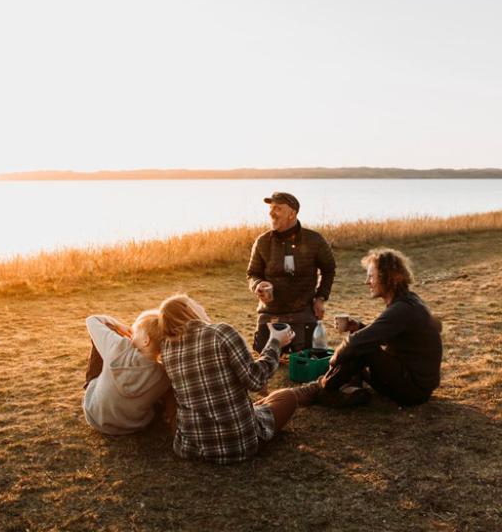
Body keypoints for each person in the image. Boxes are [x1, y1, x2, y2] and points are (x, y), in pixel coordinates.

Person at [158, 294, 319, 464]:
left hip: (191, 448)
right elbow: (255, 381)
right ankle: (311, 389)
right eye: (196, 304)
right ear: (188, 311)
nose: (202, 308)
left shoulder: (166, 348)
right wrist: (275, 342)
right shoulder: (221, 332)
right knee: (287, 397)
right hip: (238, 445)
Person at [319, 248, 442, 407]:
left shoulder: (403, 309)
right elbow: (387, 335)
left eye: (371, 276)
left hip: (414, 390)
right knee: (362, 344)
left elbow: (356, 342)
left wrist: (335, 358)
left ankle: (325, 388)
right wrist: (359, 326)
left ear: (388, 278)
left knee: (360, 347)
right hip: (416, 383)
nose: (367, 282)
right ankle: (348, 387)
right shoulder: (407, 301)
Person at [247, 191, 336, 353]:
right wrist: (259, 285)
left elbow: (329, 269)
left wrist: (320, 297)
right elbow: (252, 274)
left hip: (303, 311)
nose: (271, 213)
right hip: (270, 311)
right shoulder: (262, 241)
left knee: (306, 350)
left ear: (292, 213)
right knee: (263, 350)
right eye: (271, 208)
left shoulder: (314, 240)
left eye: (277, 208)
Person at [82, 310, 174, 435]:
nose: (131, 336)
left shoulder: (120, 348)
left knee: (108, 327)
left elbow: (92, 320)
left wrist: (119, 326)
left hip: (95, 417)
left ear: (146, 340)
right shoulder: (164, 375)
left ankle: (93, 389)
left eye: (135, 333)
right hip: (131, 427)